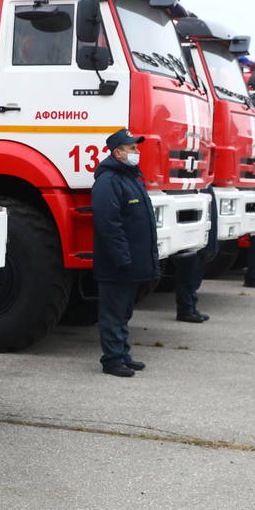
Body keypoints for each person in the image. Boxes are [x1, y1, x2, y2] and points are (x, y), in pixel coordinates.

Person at [92, 129, 160, 377]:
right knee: (113, 313)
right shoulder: (108, 181)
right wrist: (122, 258)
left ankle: (122, 354)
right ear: (117, 152)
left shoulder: (131, 178)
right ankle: (111, 360)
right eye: (132, 148)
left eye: (137, 148)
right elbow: (108, 224)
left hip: (131, 263)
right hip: (117, 265)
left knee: (123, 312)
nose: (137, 152)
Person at [174, 187, 218, 323]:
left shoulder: (205, 186)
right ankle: (185, 310)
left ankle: (191, 307)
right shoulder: (193, 187)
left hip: (202, 240)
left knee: (195, 275)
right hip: (193, 241)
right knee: (188, 274)